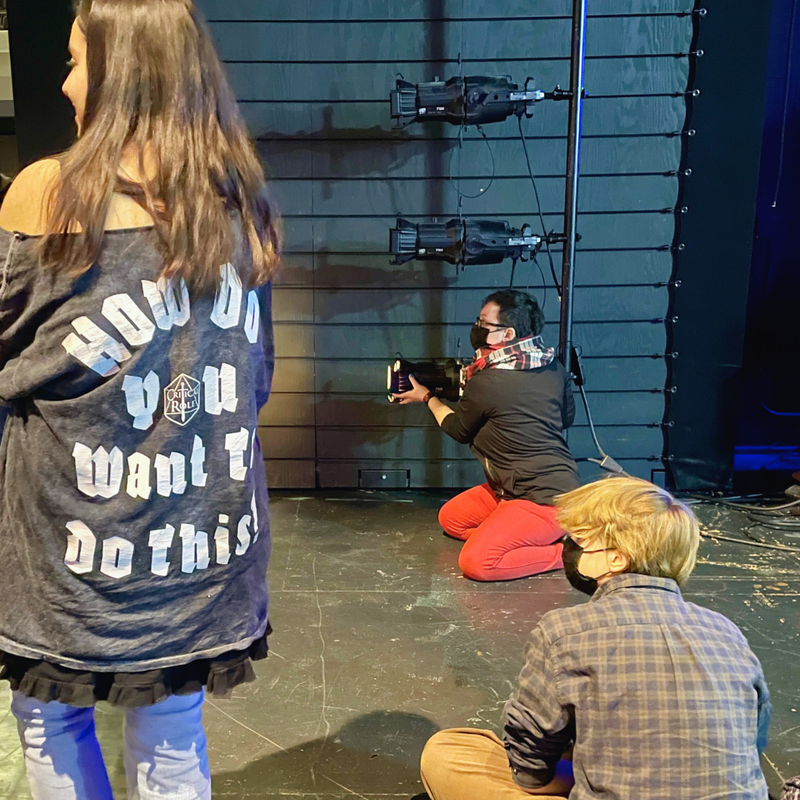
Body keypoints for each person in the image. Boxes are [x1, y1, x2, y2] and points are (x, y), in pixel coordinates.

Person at [0, 1, 280, 798]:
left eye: (75, 61)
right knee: (171, 737)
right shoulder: (239, 205)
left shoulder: (47, 195)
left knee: (51, 726)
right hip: (201, 541)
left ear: (122, 77)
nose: (66, 84)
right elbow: (255, 379)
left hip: (72, 546)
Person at [420, 476, 772, 800]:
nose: (569, 547)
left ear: (617, 559)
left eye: (581, 542)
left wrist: (572, 777)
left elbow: (529, 768)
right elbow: (752, 741)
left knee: (450, 752)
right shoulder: (727, 632)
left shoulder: (564, 631)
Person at [393, 290, 579, 581]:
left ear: (507, 334)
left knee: (477, 562)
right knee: (452, 519)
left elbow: (458, 428)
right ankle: (522, 535)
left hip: (542, 499)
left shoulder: (489, 380)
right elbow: (567, 418)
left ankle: (569, 553)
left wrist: (427, 397)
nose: (477, 329)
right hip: (511, 489)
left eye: (483, 324)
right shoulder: (554, 366)